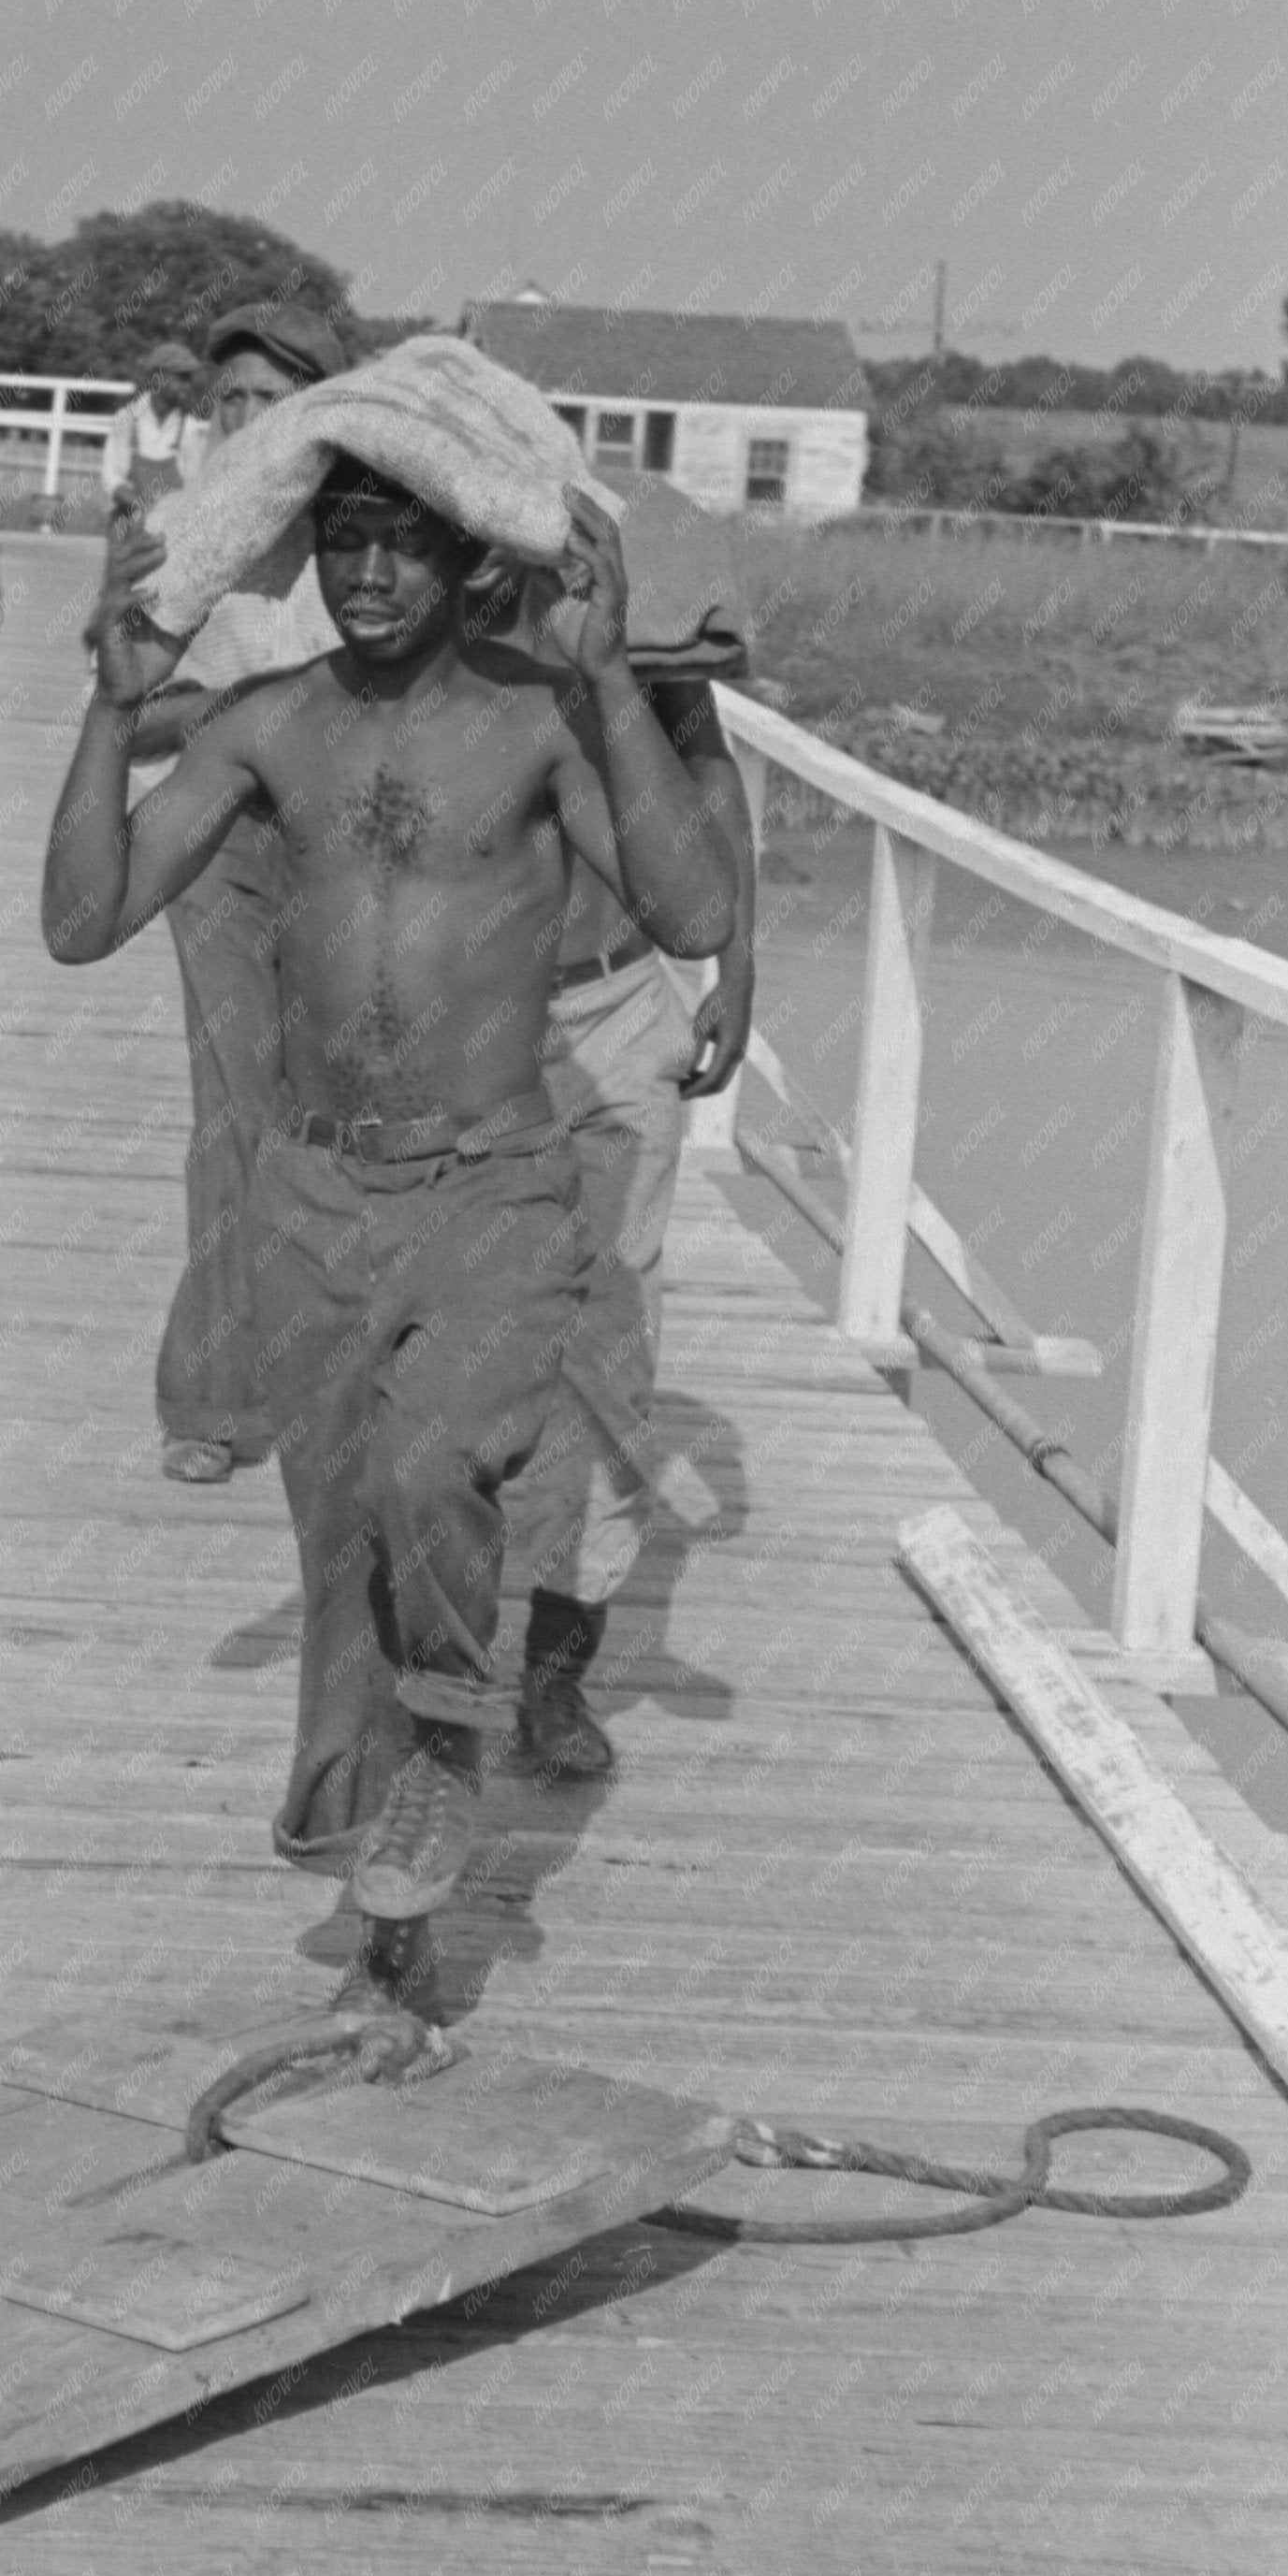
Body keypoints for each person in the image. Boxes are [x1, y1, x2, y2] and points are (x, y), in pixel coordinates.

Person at [45, 459, 739, 1957]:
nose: (369, 575)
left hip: (488, 1177)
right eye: (345, 542)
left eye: (403, 547)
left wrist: (611, 683)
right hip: (310, 1189)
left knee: (433, 1472)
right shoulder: (268, 721)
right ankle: (390, 1918)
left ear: (466, 561)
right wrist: (111, 711)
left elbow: (691, 915)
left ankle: (444, 1743)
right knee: (345, 1542)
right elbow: (80, 918)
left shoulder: (536, 718)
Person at [93, 298, 349, 1481]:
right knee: (236, 1112)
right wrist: (253, 712)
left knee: (351, 1118)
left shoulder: (368, 533)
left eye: (274, 400)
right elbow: (128, 712)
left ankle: (337, 1375)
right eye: (229, 398)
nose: (248, 422)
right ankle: (207, 1398)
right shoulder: (173, 532)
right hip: (222, 851)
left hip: (359, 860)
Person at [499, 667, 757, 1778]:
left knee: (609, 1340)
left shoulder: (632, 580)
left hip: (613, 996)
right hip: (455, 1001)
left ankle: (554, 1675)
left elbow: (706, 768)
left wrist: (735, 961)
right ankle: (403, 1657)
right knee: (424, 1318)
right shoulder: (419, 557)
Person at [99, 343, 208, 505]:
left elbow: (193, 486)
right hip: (127, 521)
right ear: (157, 379)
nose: (187, 386)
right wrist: (140, 507)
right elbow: (111, 476)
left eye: (189, 379)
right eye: (181, 378)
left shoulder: (190, 429)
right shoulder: (128, 419)